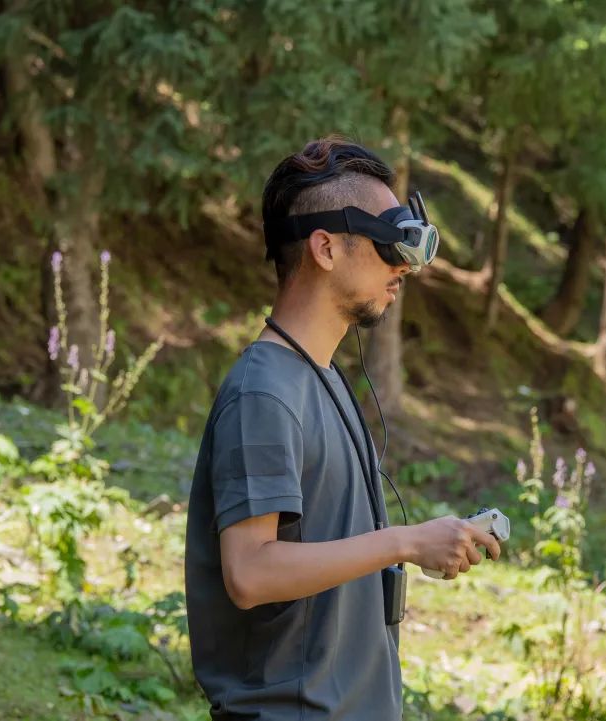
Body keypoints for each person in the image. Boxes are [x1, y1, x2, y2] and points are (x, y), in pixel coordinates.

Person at [184, 137, 503, 720]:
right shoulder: (264, 393)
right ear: (325, 248)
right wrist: (406, 542)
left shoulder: (323, 378)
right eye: (390, 243)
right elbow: (249, 572)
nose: (404, 266)